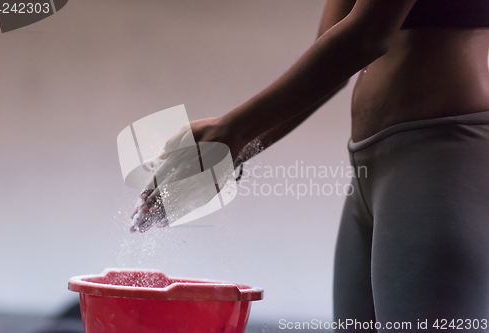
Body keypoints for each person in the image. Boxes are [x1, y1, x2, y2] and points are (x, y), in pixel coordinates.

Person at [132, 1, 489, 331]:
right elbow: (330, 52)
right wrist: (228, 153)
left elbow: (367, 35)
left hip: (439, 157)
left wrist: (232, 130)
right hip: (371, 169)